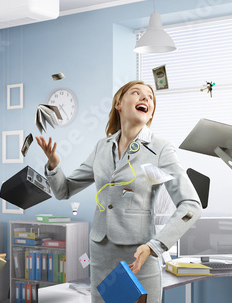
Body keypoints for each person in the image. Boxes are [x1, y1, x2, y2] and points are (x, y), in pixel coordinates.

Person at [36, 80, 202, 303]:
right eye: (137, 93)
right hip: (102, 254)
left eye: (150, 97)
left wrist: (155, 246)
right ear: (119, 104)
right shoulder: (102, 147)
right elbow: (64, 190)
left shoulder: (160, 149)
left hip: (140, 255)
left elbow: (191, 205)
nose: (145, 99)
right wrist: (54, 165)